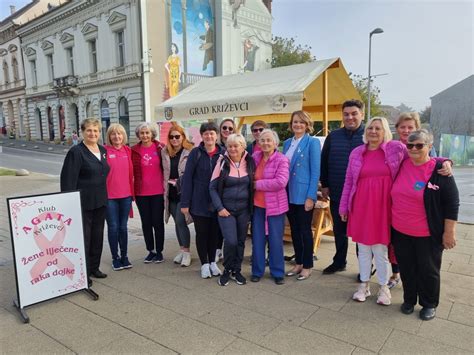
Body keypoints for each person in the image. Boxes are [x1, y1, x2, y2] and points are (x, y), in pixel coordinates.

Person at [391, 129, 459, 321]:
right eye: (410, 145)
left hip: (427, 234)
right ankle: (409, 299)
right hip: (400, 230)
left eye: (419, 145)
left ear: (430, 147)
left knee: (428, 270)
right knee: (407, 267)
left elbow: (452, 203)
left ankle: (429, 304)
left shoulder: (440, 170)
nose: (414, 149)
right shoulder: (402, 164)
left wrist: (449, 232)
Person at [339, 117, 406, 305]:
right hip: (361, 206)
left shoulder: (396, 149)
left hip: (384, 207)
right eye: (370, 128)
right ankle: (364, 285)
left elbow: (421, 158)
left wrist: (444, 162)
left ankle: (384, 287)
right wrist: (344, 206)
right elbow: (349, 182)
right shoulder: (357, 153)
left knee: (381, 249)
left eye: (378, 128)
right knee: (363, 249)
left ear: (385, 131)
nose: (373, 131)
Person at [60, 118, 110, 287]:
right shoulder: (76, 152)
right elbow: (68, 179)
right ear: (82, 132)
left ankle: (94, 267)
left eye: (96, 130)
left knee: (97, 236)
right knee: (85, 238)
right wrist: (68, 202)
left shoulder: (103, 150)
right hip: (83, 203)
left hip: (101, 200)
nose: (93, 133)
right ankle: (84, 272)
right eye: (89, 130)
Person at [320, 99, 365, 274]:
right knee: (339, 230)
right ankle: (339, 261)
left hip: (362, 194)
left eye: (354, 113)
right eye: (346, 114)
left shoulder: (369, 136)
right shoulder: (334, 136)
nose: (350, 117)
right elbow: (324, 161)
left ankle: (364, 268)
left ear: (361, 114)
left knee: (362, 233)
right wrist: (324, 184)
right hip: (338, 191)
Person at [210, 133, 255, 286]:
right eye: (229, 146)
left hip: (243, 210)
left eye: (236, 145)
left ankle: (237, 270)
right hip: (226, 210)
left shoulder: (250, 162)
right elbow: (212, 188)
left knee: (241, 241)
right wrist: (219, 207)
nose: (232, 149)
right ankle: (227, 269)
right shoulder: (222, 162)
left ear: (243, 147)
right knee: (231, 241)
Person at [181, 122, 224, 278]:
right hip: (198, 201)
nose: (209, 136)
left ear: (217, 135)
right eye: (206, 133)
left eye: (212, 133)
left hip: (217, 202)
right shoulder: (195, 153)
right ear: (202, 136)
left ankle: (212, 262)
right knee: (202, 233)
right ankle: (204, 264)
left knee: (214, 233)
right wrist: (185, 203)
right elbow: (187, 179)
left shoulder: (223, 153)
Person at [283, 111, 321, 280]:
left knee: (305, 230)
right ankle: (298, 262)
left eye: (301, 122)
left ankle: (307, 265)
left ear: (307, 125)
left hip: (304, 193)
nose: (297, 125)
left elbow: (315, 171)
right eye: (295, 122)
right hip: (288, 193)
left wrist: (311, 196)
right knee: (294, 231)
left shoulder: (312, 143)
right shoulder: (286, 143)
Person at [251, 129, 290, 285]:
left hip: (276, 207)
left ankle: (278, 272)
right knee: (258, 240)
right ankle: (257, 271)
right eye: (262, 140)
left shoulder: (282, 159)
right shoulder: (254, 158)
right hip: (257, 206)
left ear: (275, 143)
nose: (265, 143)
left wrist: (256, 185)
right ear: (259, 143)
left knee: (275, 240)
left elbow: (281, 182)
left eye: (269, 140)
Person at [131, 122, 166, 264]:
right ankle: (150, 250)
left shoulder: (160, 148)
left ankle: (159, 251)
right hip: (141, 193)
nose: (145, 135)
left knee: (157, 222)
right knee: (146, 223)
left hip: (158, 192)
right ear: (138, 135)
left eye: (147, 133)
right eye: (142, 133)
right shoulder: (133, 150)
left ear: (152, 134)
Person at [162, 123, 194, 267]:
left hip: (184, 193)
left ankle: (187, 252)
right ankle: (182, 250)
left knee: (181, 222)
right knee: (176, 223)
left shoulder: (190, 151)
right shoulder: (165, 152)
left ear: (183, 137)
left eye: (177, 136)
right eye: (171, 137)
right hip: (171, 193)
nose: (174, 139)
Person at [104, 124, 134, 271]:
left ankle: (124, 256)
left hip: (126, 196)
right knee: (113, 227)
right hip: (110, 197)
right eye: (113, 134)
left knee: (123, 227)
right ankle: (115, 258)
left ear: (124, 136)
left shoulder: (127, 151)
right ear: (109, 136)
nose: (117, 137)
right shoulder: (104, 151)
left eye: (120, 134)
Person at [215, 118, 236, 261]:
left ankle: (228, 254)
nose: (227, 131)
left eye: (230, 128)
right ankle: (217, 250)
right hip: (216, 192)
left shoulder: (237, 147)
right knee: (216, 226)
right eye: (224, 128)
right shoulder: (215, 147)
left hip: (230, 193)